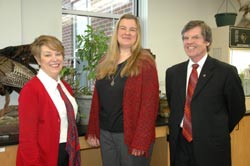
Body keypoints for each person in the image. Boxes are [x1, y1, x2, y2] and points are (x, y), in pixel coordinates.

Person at [165, 20, 246, 166]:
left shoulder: (226, 72)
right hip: (180, 145)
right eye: (185, 38)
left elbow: (237, 109)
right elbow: (174, 105)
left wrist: (216, 130)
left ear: (207, 41)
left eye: (195, 37)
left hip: (212, 147)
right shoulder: (173, 73)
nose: (189, 42)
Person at [86, 14, 159, 166]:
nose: (127, 33)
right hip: (106, 134)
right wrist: (93, 128)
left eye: (132, 29)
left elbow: (150, 105)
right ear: (116, 31)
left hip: (131, 135)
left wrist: (141, 139)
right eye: (123, 28)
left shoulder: (145, 62)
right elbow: (97, 99)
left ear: (137, 34)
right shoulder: (105, 61)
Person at [16, 35, 81, 166]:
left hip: (69, 153)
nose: (54, 59)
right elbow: (27, 139)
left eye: (58, 54)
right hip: (44, 157)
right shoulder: (31, 90)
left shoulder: (65, 87)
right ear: (38, 59)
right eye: (47, 55)